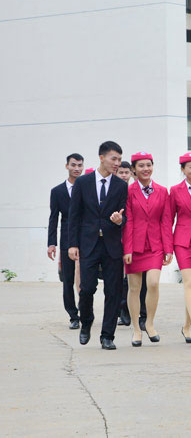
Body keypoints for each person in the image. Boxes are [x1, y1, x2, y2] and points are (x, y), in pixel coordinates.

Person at [68, 141, 127, 350]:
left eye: (119, 160)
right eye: (114, 159)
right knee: (87, 289)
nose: (117, 163)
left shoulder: (121, 185)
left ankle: (107, 336)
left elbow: (125, 216)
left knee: (114, 291)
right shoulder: (82, 183)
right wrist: (72, 244)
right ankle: (86, 322)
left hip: (111, 245)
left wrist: (120, 220)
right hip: (88, 244)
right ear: (101, 157)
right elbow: (74, 215)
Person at [122, 152, 173, 346]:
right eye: (141, 166)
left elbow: (166, 221)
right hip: (134, 246)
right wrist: (127, 249)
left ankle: (149, 323)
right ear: (134, 169)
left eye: (148, 165)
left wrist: (169, 248)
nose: (145, 169)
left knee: (152, 284)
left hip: (155, 245)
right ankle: (136, 329)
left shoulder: (162, 191)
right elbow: (128, 222)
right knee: (134, 288)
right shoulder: (128, 192)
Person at [171, 152, 191, 344]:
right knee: (189, 283)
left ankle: (186, 326)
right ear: (183, 170)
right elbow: (169, 219)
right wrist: (167, 247)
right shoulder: (175, 190)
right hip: (182, 241)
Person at [48, 153, 84, 329]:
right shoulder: (57, 191)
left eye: (80, 165)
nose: (77, 168)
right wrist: (51, 243)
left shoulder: (87, 187)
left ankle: (85, 311)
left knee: (87, 279)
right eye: (73, 165)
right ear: (67, 166)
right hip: (67, 240)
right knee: (68, 279)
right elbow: (53, 218)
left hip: (87, 238)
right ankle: (73, 316)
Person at [117, 160, 145, 327]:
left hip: (134, 239)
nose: (124, 175)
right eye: (121, 172)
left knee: (135, 279)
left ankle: (139, 313)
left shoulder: (135, 191)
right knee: (121, 279)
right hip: (118, 238)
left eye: (126, 173)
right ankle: (123, 311)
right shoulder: (116, 191)